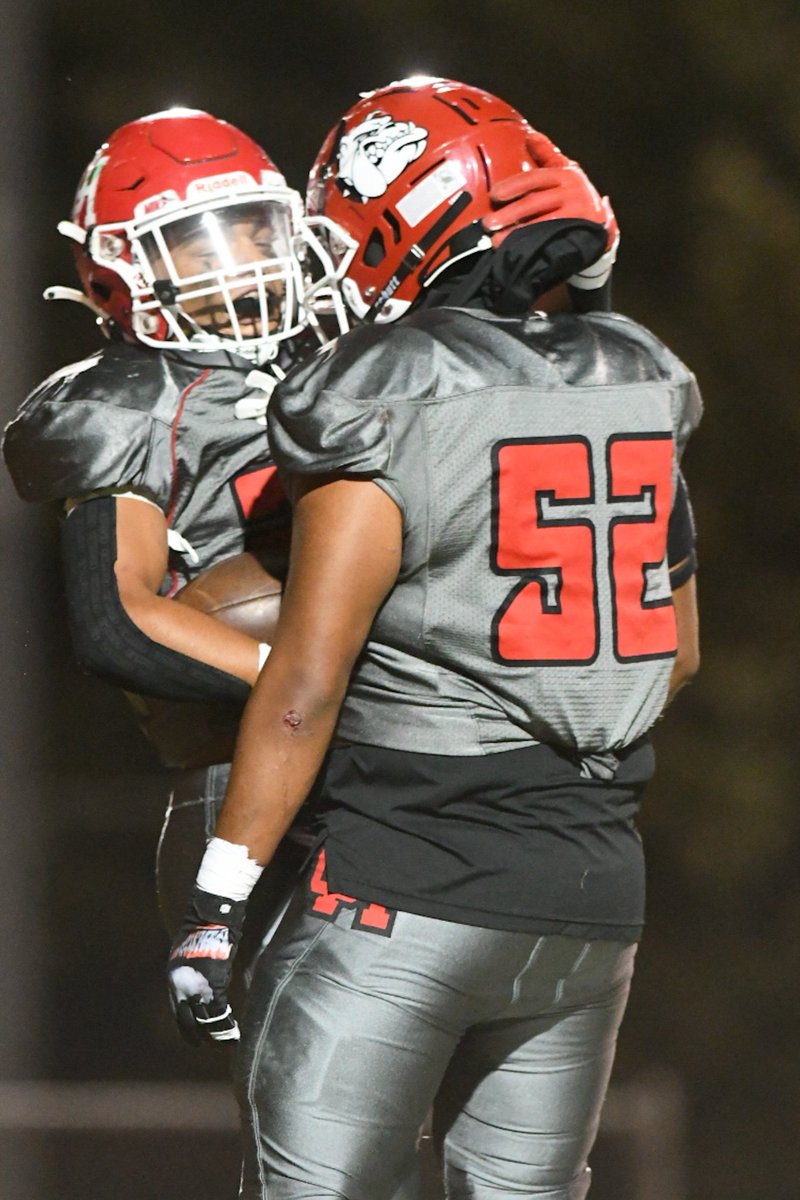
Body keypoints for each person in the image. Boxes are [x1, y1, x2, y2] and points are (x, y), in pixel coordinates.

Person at [166, 77, 701, 1200]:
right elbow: (675, 652)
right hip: (589, 906)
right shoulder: (637, 376)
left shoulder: (387, 390)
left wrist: (218, 899)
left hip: (403, 884)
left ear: (400, 221)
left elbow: (306, 681)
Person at [1, 106, 611, 968]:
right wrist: (304, 684)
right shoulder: (125, 402)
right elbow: (118, 621)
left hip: (398, 772)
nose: (238, 266)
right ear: (118, 276)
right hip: (250, 780)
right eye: (197, 248)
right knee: (320, 1080)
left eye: (253, 233)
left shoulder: (350, 354)